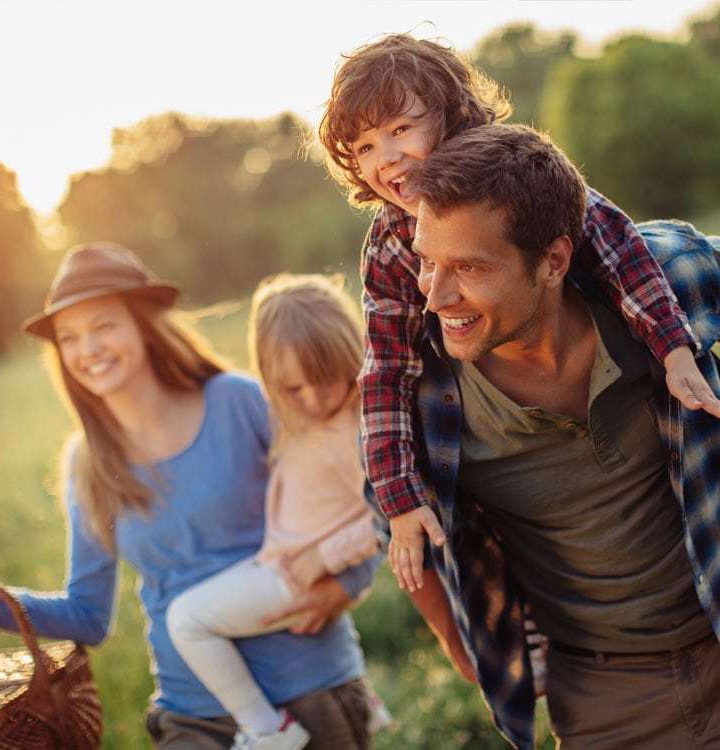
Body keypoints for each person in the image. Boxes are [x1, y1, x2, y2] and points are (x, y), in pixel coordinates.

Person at [317, 33, 720, 602]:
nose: (386, 157)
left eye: (400, 129)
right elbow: (385, 371)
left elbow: (619, 251)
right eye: (364, 146)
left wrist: (674, 349)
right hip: (488, 385)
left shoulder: (523, 175)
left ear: (453, 115)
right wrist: (400, 500)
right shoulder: (388, 242)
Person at [0, 243, 380, 750]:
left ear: (143, 324)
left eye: (104, 325)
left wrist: (349, 582)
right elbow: (89, 616)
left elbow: (351, 486)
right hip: (193, 713)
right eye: (69, 338)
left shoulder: (236, 401)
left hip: (309, 686)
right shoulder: (88, 464)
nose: (88, 348)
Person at [403, 123, 720, 748]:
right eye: (425, 261)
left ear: (553, 260)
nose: (436, 296)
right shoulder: (419, 401)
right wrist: (464, 648)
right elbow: (387, 522)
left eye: (467, 266)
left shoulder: (671, 282)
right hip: (607, 703)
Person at [166, 273, 385, 750]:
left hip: (295, 573)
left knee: (186, 620)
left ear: (351, 355)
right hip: (283, 563)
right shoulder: (294, 417)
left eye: (326, 381)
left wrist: (325, 560)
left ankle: (267, 730)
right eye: (292, 388)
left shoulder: (356, 433)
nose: (312, 399)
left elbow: (390, 517)